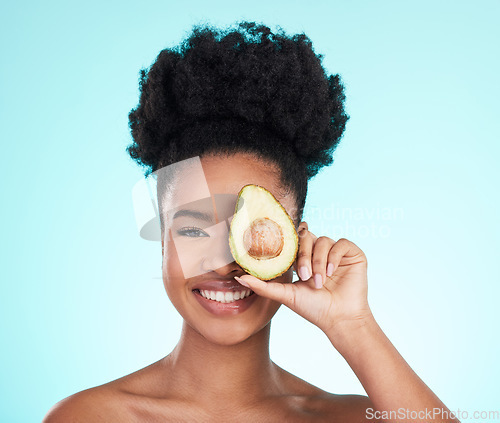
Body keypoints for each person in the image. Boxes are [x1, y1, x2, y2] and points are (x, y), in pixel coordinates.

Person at [43, 21, 458, 422]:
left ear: (298, 243)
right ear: (163, 240)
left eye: (258, 233)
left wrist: (354, 325)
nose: (225, 263)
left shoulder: (354, 418)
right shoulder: (89, 417)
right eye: (191, 229)